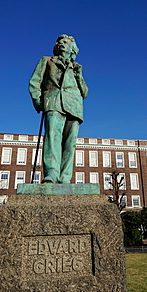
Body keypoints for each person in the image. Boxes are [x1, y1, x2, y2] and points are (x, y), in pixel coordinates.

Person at [29, 34, 88, 184]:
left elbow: (85, 92)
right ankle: (52, 173)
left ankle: (65, 176)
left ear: (72, 49)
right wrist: (38, 100)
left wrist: (79, 75)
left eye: (65, 42)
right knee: (52, 135)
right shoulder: (47, 61)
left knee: (70, 142)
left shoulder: (76, 67)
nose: (61, 44)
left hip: (74, 105)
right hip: (53, 100)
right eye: (59, 42)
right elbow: (35, 82)